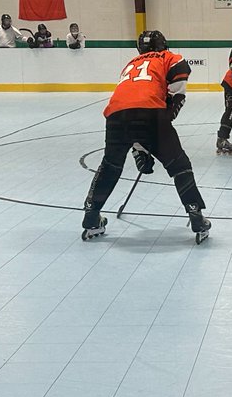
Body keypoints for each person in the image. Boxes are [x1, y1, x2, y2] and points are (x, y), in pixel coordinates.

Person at [80, 29, 210, 242]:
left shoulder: (131, 64)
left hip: (115, 114)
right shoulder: (168, 57)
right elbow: (178, 84)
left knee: (110, 167)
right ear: (163, 45)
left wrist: (140, 144)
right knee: (179, 165)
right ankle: (196, 214)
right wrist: (163, 124)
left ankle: (91, 215)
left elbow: (133, 102)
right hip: (150, 112)